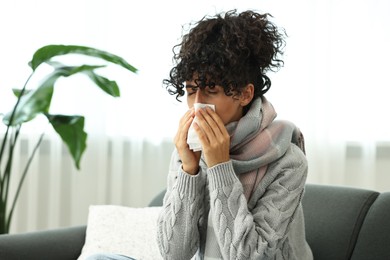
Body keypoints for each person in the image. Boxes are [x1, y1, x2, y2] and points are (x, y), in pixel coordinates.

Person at [156, 9, 313, 260]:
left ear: (245, 94)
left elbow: (249, 256)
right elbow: (173, 254)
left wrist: (220, 166)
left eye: (211, 90)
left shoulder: (288, 160)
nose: (197, 104)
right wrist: (189, 171)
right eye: (191, 90)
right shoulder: (188, 151)